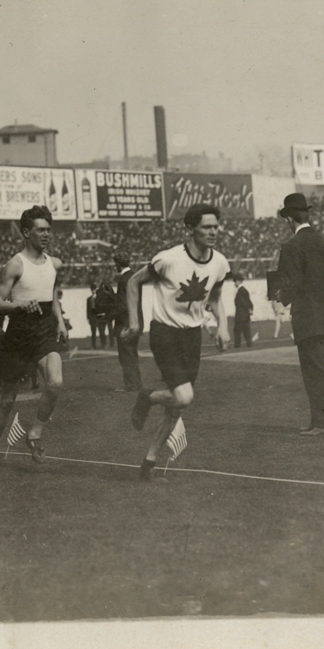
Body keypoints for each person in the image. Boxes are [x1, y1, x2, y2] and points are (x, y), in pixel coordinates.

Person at [123, 203, 231, 481]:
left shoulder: (219, 263)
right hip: (165, 333)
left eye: (215, 226)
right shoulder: (168, 259)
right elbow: (133, 282)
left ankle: (149, 461)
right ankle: (147, 397)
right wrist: (136, 323)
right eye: (207, 226)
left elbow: (216, 298)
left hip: (191, 337)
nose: (213, 231)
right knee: (184, 396)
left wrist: (222, 326)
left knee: (177, 407)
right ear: (190, 229)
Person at [0, 205, 68, 473]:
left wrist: (61, 321)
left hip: (43, 330)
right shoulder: (15, 264)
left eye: (48, 230)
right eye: (40, 230)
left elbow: (53, 294)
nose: (46, 235)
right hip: (18, 334)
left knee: (55, 383)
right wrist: (19, 305)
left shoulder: (55, 263)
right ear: (25, 232)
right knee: (8, 400)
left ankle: (34, 434)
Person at [271, 193, 324, 436]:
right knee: (323, 370)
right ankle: (318, 420)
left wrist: (280, 295)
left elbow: (290, 284)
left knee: (314, 373)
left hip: (308, 318)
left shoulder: (292, 246)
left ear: (290, 220)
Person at [112, 251, 143, 392]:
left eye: (115, 264)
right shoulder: (134, 277)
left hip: (125, 323)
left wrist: (110, 314)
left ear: (118, 264)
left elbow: (123, 306)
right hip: (136, 321)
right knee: (132, 354)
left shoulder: (124, 280)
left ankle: (131, 385)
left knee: (126, 355)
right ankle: (136, 384)